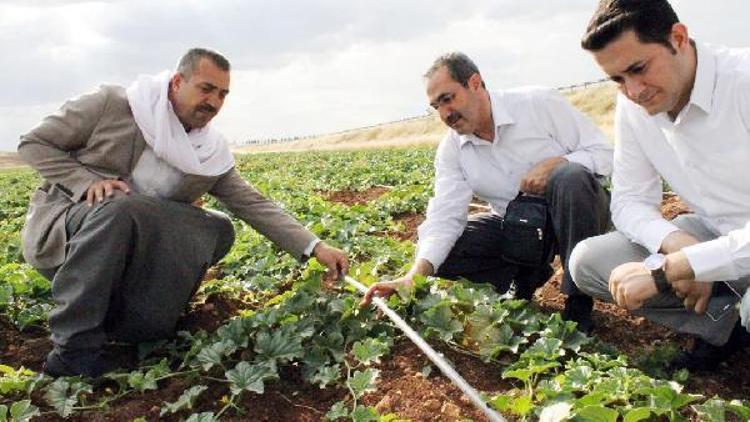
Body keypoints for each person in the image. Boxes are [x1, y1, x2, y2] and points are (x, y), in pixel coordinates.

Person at [19, 48, 349, 377]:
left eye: (222, 94)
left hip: (133, 248)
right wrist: (86, 181)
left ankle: (136, 326)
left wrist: (315, 247)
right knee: (120, 209)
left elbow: (252, 203)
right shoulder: (112, 104)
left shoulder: (207, 151)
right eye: (206, 89)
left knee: (216, 228)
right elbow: (34, 143)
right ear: (178, 82)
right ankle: (71, 351)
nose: (214, 102)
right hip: (71, 230)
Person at [363, 52, 613, 333]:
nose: (445, 114)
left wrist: (560, 163)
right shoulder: (453, 149)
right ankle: (526, 272)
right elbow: (444, 217)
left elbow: (604, 155)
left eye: (448, 99)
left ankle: (579, 300)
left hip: (579, 215)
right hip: (520, 228)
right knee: (442, 253)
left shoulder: (537, 104)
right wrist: (413, 277)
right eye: (436, 107)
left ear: (475, 83)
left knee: (570, 177)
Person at [570, 0, 750, 371]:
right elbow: (629, 200)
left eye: (639, 68)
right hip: (714, 233)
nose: (633, 91)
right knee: (589, 262)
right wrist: (678, 245)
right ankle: (727, 326)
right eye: (617, 79)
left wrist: (681, 266)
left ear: (678, 38)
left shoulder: (743, 82)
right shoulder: (635, 106)